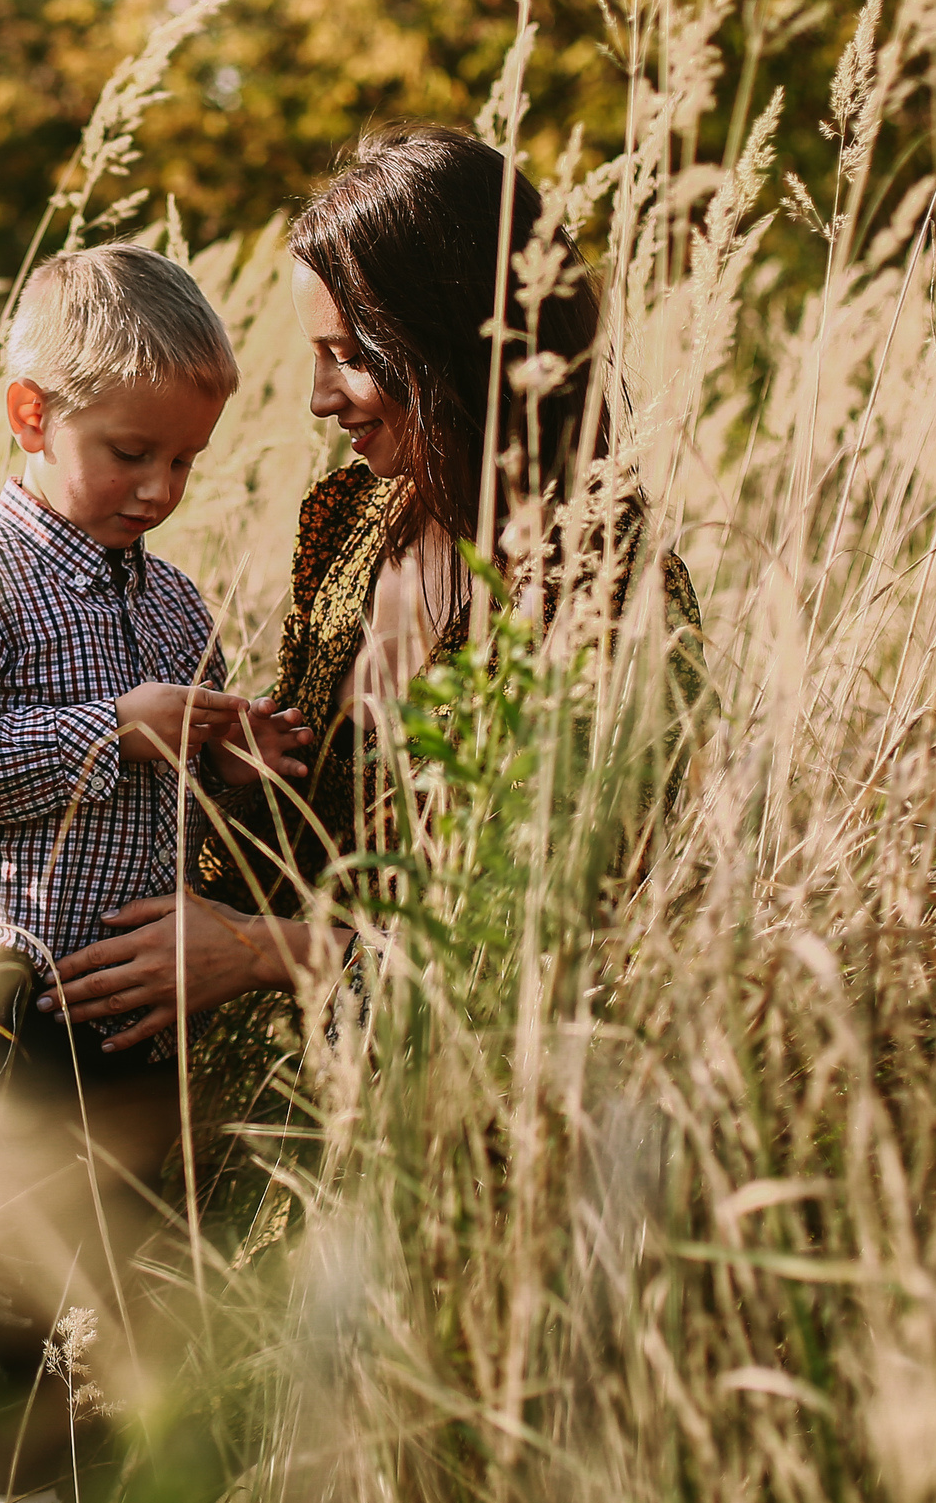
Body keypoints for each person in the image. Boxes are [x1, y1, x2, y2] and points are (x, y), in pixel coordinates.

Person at [40, 125, 709, 1260]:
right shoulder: (348, 525)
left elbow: (542, 961)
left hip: (466, 1154)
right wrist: (216, 777)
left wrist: (257, 952)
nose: (319, 400)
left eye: (348, 356)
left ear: (450, 342)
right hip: (262, 1086)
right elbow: (299, 841)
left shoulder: (607, 592)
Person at [0, 242, 314, 1503]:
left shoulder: (177, 602)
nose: (161, 488)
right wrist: (109, 730)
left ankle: (120, 1500)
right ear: (32, 415)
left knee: (139, 1268)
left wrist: (224, 762)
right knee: (3, 1266)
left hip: (129, 998)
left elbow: (176, 794)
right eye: (132, 452)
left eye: (185, 462)